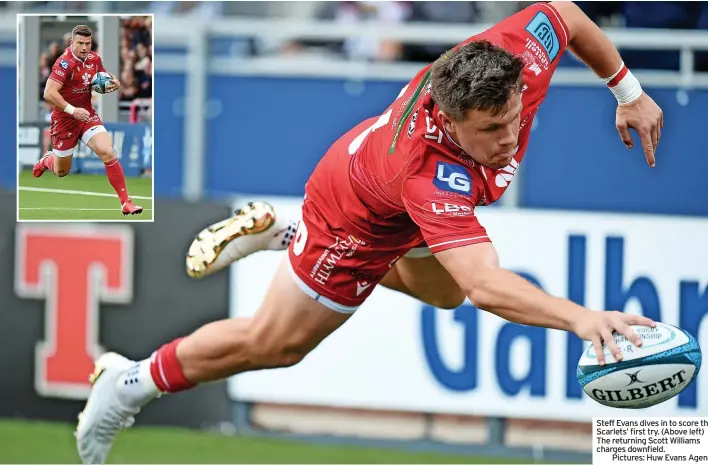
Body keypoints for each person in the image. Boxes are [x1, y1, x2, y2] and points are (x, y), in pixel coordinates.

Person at [76, 3, 662, 463]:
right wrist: (583, 319)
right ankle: (127, 384)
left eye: (513, 116)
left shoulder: (510, 59)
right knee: (276, 345)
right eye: (490, 129)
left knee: (443, 293)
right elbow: (487, 285)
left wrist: (627, 92)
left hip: (387, 196)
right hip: (353, 215)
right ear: (451, 119)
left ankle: (285, 232)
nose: (510, 137)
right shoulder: (430, 174)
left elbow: (566, 14)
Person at [33, 25, 143, 216]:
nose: (84, 47)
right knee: (61, 171)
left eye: (88, 43)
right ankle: (47, 160)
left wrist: (113, 83)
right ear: (72, 43)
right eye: (80, 43)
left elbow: (102, 79)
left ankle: (126, 202)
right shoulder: (63, 63)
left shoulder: (94, 59)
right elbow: (49, 93)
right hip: (65, 118)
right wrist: (72, 110)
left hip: (87, 115)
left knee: (107, 151)